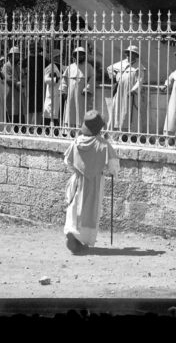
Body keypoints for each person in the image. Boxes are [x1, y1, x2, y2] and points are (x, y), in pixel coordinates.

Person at [63, 109, 119, 255]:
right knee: (90, 209)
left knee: (75, 206)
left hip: (78, 180)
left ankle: (72, 233)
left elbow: (67, 161)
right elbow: (113, 166)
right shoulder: (103, 145)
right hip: (95, 182)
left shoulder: (76, 142)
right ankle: (80, 239)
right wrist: (111, 171)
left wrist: (77, 171)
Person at [105, 44, 143, 136]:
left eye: (132, 53)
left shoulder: (139, 66)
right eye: (128, 53)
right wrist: (115, 76)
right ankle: (115, 133)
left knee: (129, 113)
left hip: (130, 93)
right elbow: (109, 68)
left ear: (136, 55)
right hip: (120, 92)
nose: (129, 55)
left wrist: (134, 89)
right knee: (117, 110)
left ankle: (129, 135)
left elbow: (140, 80)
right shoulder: (121, 63)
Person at [60, 46, 95, 131]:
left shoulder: (89, 67)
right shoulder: (70, 67)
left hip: (82, 94)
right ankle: (69, 130)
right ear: (74, 56)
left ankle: (81, 130)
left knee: (81, 111)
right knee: (70, 111)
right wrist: (64, 91)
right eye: (78, 54)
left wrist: (87, 89)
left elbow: (92, 78)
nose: (80, 56)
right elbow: (64, 79)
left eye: (82, 55)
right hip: (71, 92)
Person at [2, 46, 28, 127]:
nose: (17, 57)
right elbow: (7, 78)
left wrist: (25, 74)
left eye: (18, 55)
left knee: (19, 112)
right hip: (10, 93)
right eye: (15, 55)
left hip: (19, 93)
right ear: (10, 56)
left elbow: (23, 77)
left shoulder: (18, 67)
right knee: (12, 112)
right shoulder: (6, 66)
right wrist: (17, 83)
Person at [40, 47, 64, 130]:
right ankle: (46, 130)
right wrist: (55, 79)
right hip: (52, 93)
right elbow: (46, 79)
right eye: (59, 56)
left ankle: (56, 131)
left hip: (60, 93)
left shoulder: (62, 66)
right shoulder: (50, 67)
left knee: (57, 114)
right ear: (55, 57)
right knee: (49, 114)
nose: (60, 57)